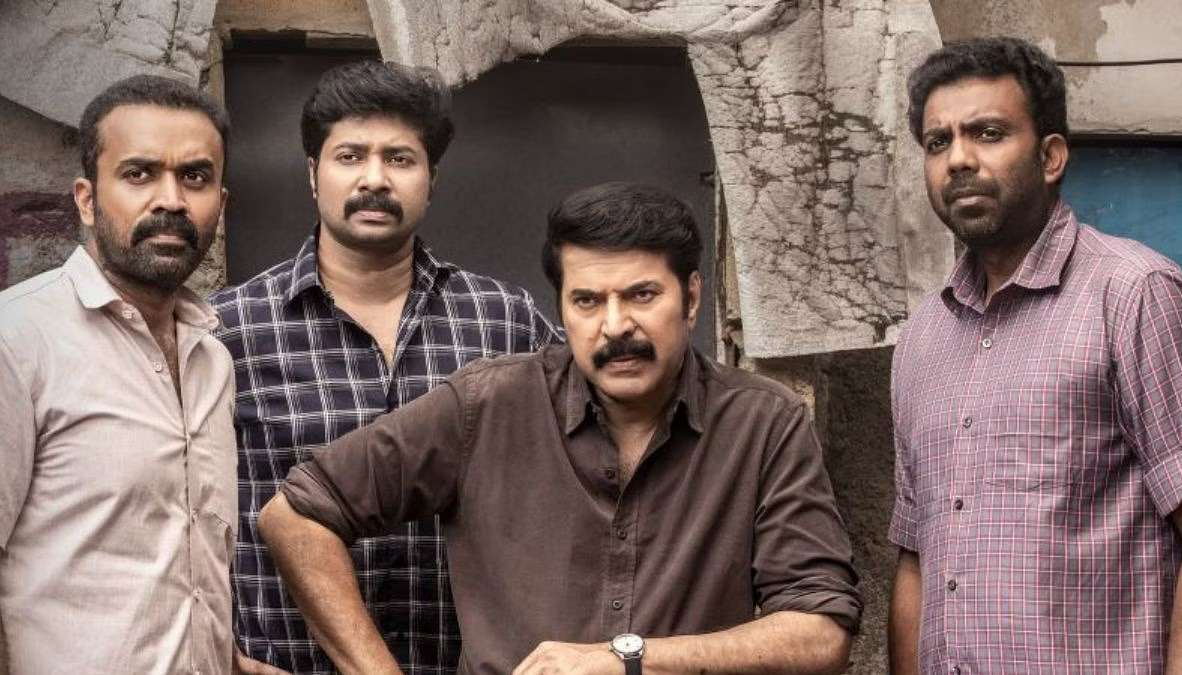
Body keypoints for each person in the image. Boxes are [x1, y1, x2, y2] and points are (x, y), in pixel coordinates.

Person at [257, 181, 862, 675]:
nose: (616, 326)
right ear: (561, 309)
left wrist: (626, 659)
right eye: (588, 301)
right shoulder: (487, 405)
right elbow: (296, 514)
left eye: (642, 295)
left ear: (692, 297)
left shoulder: (765, 423)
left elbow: (820, 633)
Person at [209, 60, 558, 674]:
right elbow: (178, 511)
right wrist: (213, 648)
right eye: (350, 157)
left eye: (399, 159)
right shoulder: (230, 330)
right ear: (313, 174)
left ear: (432, 179)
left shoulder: (506, 320)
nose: (375, 179)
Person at [887, 37, 1182, 674]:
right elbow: (916, 558)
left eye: (988, 133)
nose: (959, 160)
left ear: (1051, 156)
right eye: (938, 142)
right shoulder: (921, 339)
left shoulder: (1134, 294)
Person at [0, 75, 236, 674]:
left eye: (195, 177)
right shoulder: (17, 340)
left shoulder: (212, 361)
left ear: (221, 203)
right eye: (139, 174)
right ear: (86, 200)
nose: (171, 200)